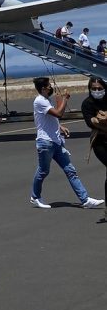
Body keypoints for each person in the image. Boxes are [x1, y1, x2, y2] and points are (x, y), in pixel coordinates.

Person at [29, 76, 103, 209]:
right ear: (43, 88)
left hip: (56, 142)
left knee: (70, 170)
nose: (51, 87)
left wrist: (60, 127)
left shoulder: (46, 100)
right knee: (43, 171)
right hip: (45, 143)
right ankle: (35, 197)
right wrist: (64, 99)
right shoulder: (40, 101)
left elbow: (50, 119)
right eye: (49, 85)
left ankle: (85, 200)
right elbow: (58, 113)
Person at [81, 76, 107, 217]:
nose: (97, 91)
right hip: (99, 142)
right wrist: (101, 121)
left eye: (100, 88)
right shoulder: (87, 104)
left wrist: (101, 119)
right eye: (94, 89)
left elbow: (98, 120)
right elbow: (91, 122)